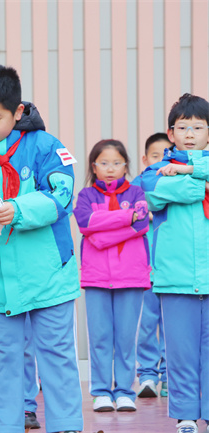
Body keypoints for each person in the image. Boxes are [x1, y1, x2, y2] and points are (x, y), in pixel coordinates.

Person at [0, 63, 83, 433]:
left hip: (49, 275)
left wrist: (20, 209)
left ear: (18, 111)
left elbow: (62, 194)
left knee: (57, 354)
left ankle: (66, 424)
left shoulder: (46, 146)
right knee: (1, 358)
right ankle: (5, 425)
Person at [139, 93, 209, 433]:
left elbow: (177, 188)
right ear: (171, 133)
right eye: (183, 127)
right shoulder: (154, 171)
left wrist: (187, 170)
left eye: (198, 127)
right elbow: (151, 192)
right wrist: (198, 183)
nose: (190, 134)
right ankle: (185, 415)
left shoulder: (174, 170)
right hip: (175, 277)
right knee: (181, 352)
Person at [73, 139, 151, 412]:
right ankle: (101, 392)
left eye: (116, 163)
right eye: (104, 163)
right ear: (94, 166)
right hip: (97, 277)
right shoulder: (86, 196)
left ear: (126, 166)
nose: (110, 168)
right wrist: (127, 217)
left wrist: (101, 236)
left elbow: (142, 224)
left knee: (126, 338)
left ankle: (125, 391)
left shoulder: (137, 192)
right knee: (100, 337)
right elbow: (85, 223)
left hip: (131, 276)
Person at [134, 133, 173, 399]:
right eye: (154, 156)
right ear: (145, 159)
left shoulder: (176, 184)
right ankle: (147, 375)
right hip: (143, 268)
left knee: (172, 325)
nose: (160, 161)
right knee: (147, 323)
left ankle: (170, 376)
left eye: (164, 156)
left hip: (171, 268)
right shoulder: (136, 186)